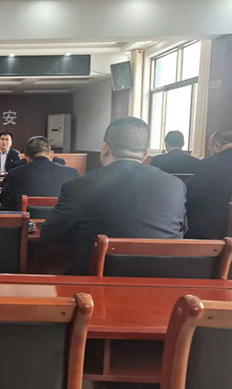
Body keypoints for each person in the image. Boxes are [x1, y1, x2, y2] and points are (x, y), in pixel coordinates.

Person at [41, 117, 186, 275]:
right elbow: (181, 229)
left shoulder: (79, 186)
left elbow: (50, 234)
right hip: (160, 281)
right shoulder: (176, 186)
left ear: (105, 148)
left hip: (94, 283)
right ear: (146, 153)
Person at [0, 136, 79, 211]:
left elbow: (4, 201)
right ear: (51, 154)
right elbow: (77, 202)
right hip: (61, 220)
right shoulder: (72, 173)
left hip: (27, 220)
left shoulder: (15, 173)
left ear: (27, 157)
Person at [185, 130, 232, 239]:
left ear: (217, 146)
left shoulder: (211, 162)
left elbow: (191, 189)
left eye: (210, 146)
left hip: (217, 226)